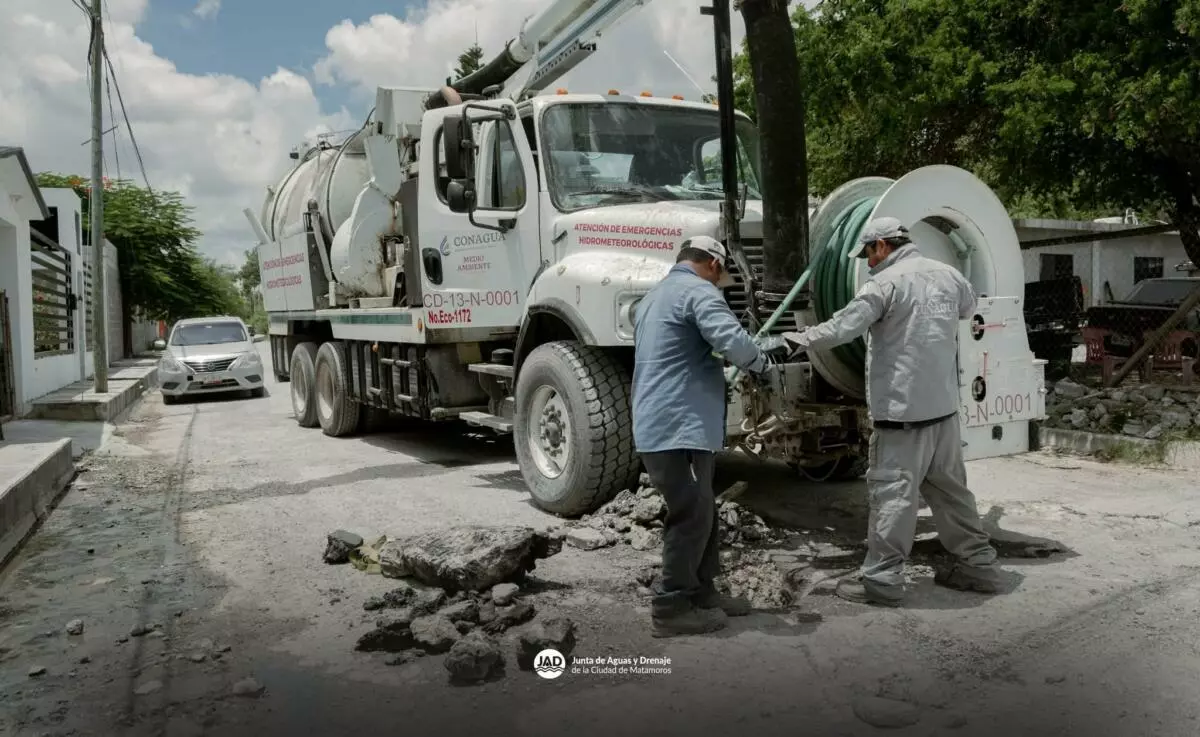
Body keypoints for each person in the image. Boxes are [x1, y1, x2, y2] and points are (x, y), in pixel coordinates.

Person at [783, 217, 1004, 607]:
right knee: (951, 491)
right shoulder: (948, 274)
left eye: (867, 254)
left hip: (902, 415)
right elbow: (970, 309)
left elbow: (842, 328)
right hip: (944, 412)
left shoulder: (884, 284)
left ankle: (882, 580)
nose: (868, 263)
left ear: (881, 245)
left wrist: (799, 339)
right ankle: (979, 565)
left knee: (893, 496)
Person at [632, 235, 770, 637]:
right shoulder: (698, 293)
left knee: (702, 509)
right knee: (691, 515)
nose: (720, 281)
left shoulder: (655, 296)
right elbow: (731, 341)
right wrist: (761, 362)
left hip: (668, 426)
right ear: (712, 263)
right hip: (678, 428)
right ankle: (672, 606)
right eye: (722, 273)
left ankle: (703, 592)